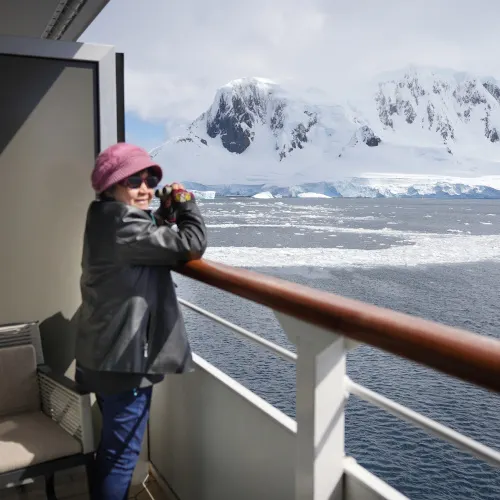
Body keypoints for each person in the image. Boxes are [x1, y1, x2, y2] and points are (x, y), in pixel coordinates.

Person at [74, 142, 207, 500]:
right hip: (124, 361)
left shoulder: (103, 216)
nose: (145, 188)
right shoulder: (124, 224)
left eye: (150, 179)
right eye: (133, 181)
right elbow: (191, 244)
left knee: (111, 450)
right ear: (110, 187)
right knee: (120, 458)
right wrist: (184, 204)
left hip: (101, 355)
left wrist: (161, 214)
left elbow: (149, 241)